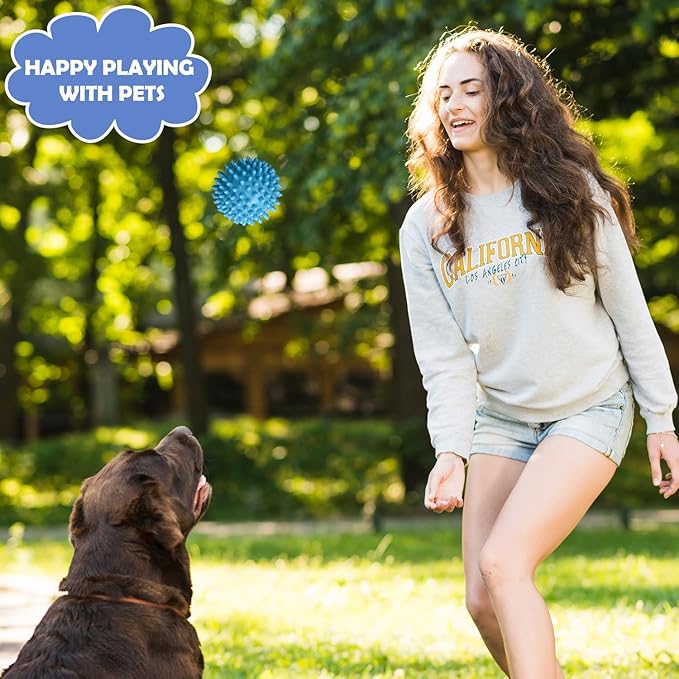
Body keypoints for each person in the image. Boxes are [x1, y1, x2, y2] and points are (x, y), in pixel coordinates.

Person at [399, 26, 679, 679]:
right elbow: (444, 358)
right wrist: (451, 451)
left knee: (504, 564)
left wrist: (661, 418)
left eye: (471, 89)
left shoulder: (571, 193)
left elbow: (629, 311)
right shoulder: (427, 226)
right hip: (502, 416)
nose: (455, 105)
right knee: (480, 598)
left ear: (508, 98)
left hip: (588, 406)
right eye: (444, 94)